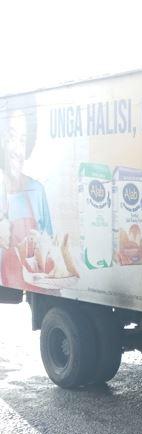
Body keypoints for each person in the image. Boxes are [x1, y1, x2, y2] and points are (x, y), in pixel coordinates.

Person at [0, 95, 54, 289]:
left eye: (22, 140)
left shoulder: (37, 191)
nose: (16, 149)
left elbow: (51, 251)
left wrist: (42, 244)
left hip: (40, 285)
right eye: (11, 137)